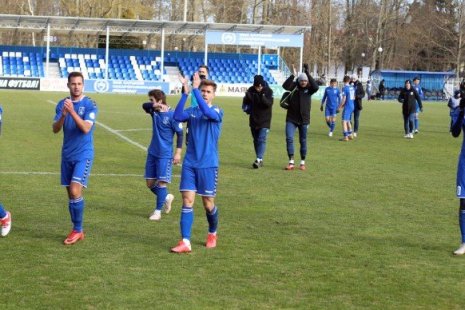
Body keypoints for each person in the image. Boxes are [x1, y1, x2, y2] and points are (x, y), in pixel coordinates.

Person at [171, 73, 223, 253]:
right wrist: (185, 94)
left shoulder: (216, 111)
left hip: (208, 165)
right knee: (187, 201)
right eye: (203, 91)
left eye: (208, 92)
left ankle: (212, 232)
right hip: (190, 164)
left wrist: (195, 90)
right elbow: (177, 117)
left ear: (213, 95)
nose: (205, 94)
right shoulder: (192, 111)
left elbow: (207, 112)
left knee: (208, 204)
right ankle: (185, 241)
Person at [52, 71, 98, 245]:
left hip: (83, 155)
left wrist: (71, 112)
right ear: (68, 85)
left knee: (74, 190)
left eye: (79, 84)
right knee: (71, 195)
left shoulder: (90, 104)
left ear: (83, 85)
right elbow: (55, 129)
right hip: (67, 155)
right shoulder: (61, 104)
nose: (76, 87)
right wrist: (63, 114)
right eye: (73, 84)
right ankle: (77, 228)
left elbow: (86, 128)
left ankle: (77, 230)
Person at [142, 89, 183, 221]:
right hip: (152, 152)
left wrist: (178, 153)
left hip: (165, 155)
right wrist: (154, 105)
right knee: (149, 183)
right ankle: (166, 197)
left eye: (152, 100)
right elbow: (144, 106)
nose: (150, 102)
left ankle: (157, 212)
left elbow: (180, 134)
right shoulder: (153, 111)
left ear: (159, 100)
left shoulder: (173, 115)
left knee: (161, 183)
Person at [282, 63, 319, 170]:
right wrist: (293, 75)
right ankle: (291, 162)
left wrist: (307, 72)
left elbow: (316, 86)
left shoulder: (309, 90)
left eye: (305, 81)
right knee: (289, 138)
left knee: (302, 140)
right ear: (299, 80)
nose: (303, 82)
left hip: (304, 120)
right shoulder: (294, 87)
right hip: (291, 118)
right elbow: (284, 86)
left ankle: (302, 162)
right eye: (302, 80)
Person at [242, 75, 274, 168]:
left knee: (261, 139)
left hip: (265, 120)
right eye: (257, 86)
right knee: (255, 140)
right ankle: (259, 159)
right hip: (253, 119)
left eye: (260, 86)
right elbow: (246, 102)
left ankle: (259, 159)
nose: (258, 88)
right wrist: (247, 98)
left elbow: (268, 104)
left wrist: (262, 96)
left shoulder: (268, 91)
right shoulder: (251, 90)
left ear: (262, 84)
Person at [450, 90, 465, 255]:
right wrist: (461, 112)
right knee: (463, 201)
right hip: (464, 162)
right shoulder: (460, 108)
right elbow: (455, 133)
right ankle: (464, 242)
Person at [338, 75, 355, 141]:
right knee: (347, 120)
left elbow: (344, 99)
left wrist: (339, 107)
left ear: (343, 81)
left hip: (347, 106)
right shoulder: (352, 87)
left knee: (343, 121)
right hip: (352, 105)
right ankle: (350, 135)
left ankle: (345, 137)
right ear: (349, 80)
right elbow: (354, 97)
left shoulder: (345, 88)